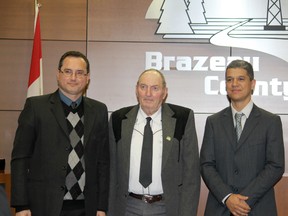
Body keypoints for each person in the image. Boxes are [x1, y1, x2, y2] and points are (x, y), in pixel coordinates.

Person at [11, 51, 109, 216]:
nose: (73, 78)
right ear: (58, 74)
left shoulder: (99, 110)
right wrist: (21, 205)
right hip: (44, 205)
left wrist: (101, 206)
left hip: (87, 206)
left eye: (80, 73)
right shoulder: (36, 107)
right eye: (68, 71)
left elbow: (103, 162)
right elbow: (20, 158)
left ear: (88, 78)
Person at [108, 69, 200, 216]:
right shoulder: (118, 119)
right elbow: (111, 172)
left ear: (164, 92)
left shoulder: (182, 118)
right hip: (127, 207)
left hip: (167, 208)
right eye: (143, 87)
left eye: (155, 88)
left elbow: (191, 176)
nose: (148, 93)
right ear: (136, 90)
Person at [200, 59, 285, 216]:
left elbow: (275, 165)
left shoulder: (270, 121)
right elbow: (206, 165)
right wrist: (228, 197)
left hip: (257, 208)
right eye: (229, 79)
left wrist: (243, 200)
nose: (234, 84)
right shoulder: (213, 122)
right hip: (220, 208)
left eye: (240, 79)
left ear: (252, 84)